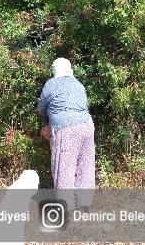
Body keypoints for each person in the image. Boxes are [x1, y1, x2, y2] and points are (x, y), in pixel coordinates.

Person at [37, 57, 95, 209]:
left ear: (55, 69)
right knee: (85, 167)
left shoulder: (51, 84)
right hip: (87, 126)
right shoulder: (79, 84)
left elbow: (41, 107)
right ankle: (83, 205)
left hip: (66, 129)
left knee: (64, 169)